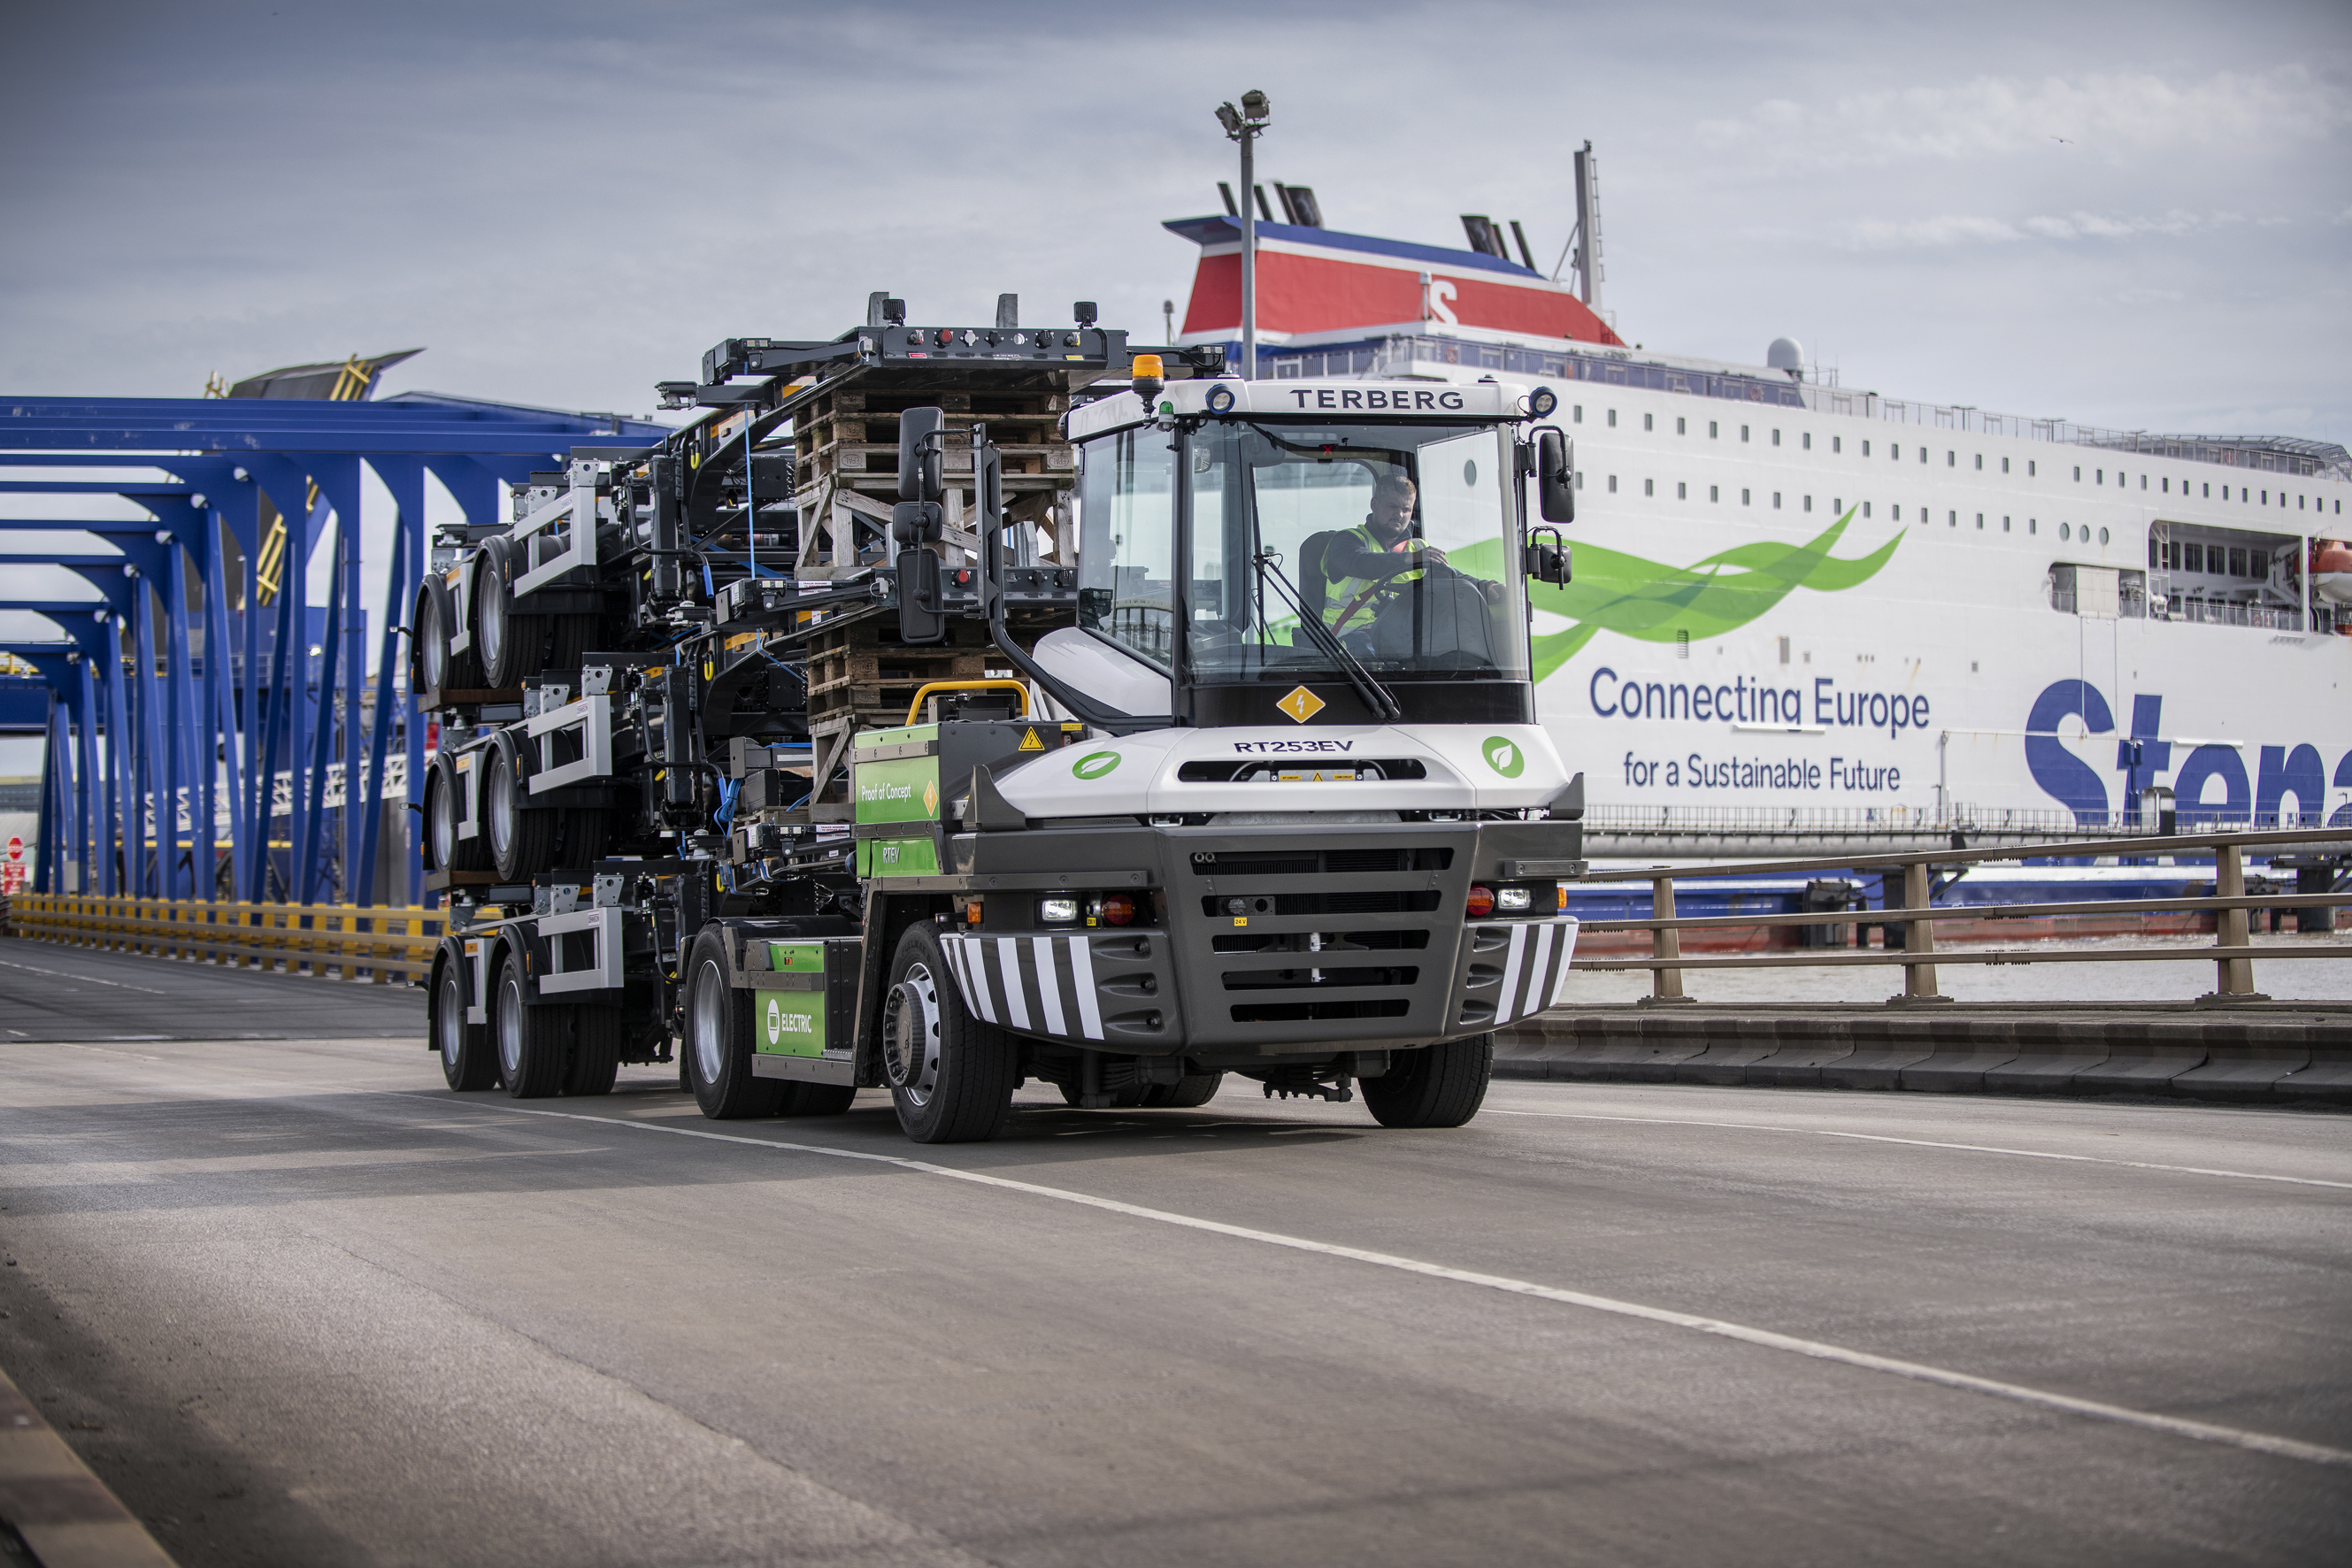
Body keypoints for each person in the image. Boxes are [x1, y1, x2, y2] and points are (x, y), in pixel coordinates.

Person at [1316, 473, 1445, 634]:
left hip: (1403, 639)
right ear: (1374, 504)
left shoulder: (1419, 548)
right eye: (1392, 506)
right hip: (1347, 642)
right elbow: (1363, 563)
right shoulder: (1346, 540)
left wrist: (1477, 586)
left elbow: (1452, 579)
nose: (1400, 514)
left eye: (1406, 509)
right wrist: (1411, 559)